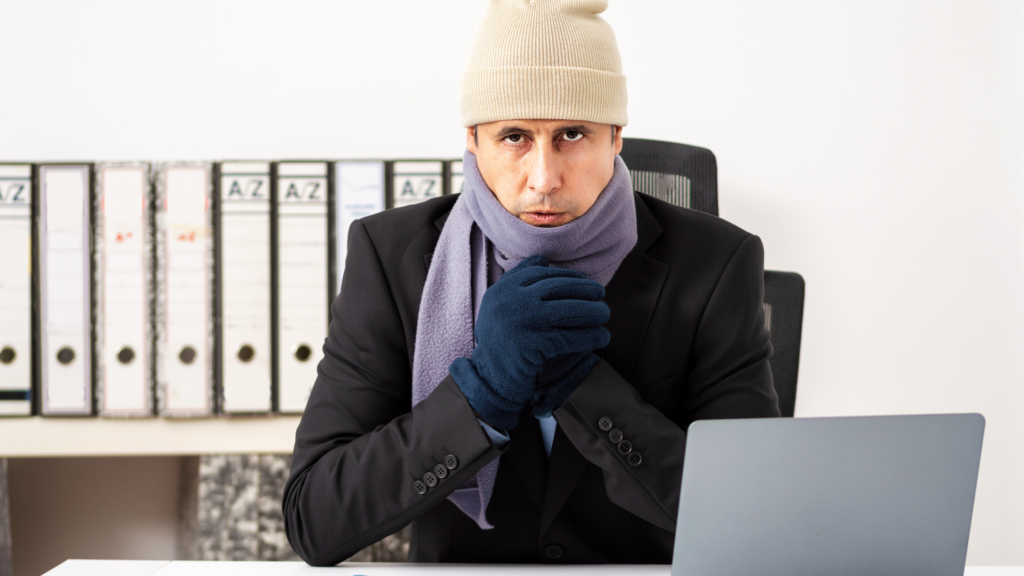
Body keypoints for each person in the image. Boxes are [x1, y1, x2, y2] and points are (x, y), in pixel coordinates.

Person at [283, 0, 779, 566]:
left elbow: (752, 518)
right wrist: (483, 391)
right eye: (514, 136)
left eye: (572, 133)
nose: (544, 178)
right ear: (473, 138)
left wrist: (587, 391)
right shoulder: (391, 257)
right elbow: (313, 519)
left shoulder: (716, 263)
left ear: (616, 136)